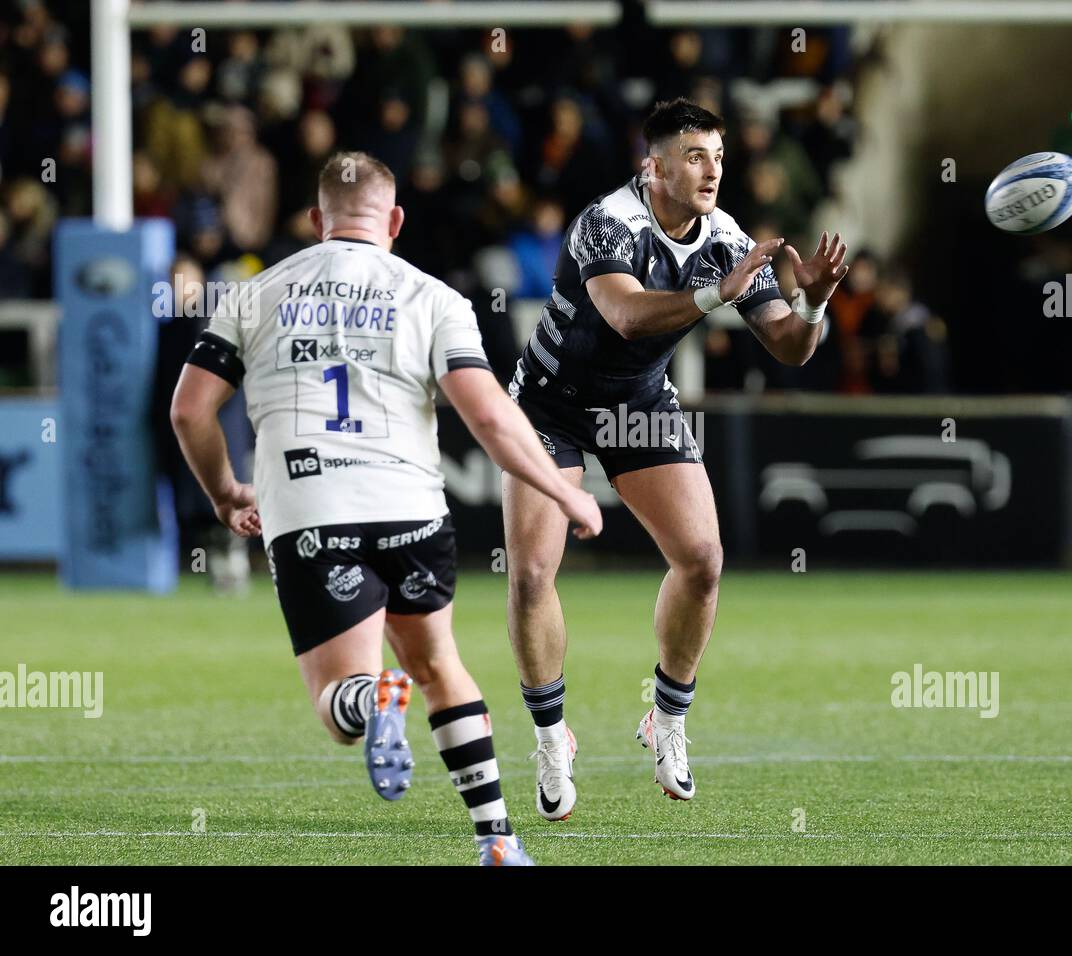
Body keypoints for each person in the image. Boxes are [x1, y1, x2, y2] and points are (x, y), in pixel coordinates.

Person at [170, 151, 603, 865]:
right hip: (411, 510)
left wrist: (223, 492)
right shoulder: (434, 297)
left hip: (312, 510)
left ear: (316, 221)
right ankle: (496, 839)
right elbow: (490, 417)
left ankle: (375, 701)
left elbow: (190, 411)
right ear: (394, 220)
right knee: (439, 662)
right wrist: (560, 489)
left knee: (342, 705)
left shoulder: (255, 293)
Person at [503, 98, 847, 820]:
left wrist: (813, 307)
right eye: (695, 155)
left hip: (636, 403)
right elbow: (625, 313)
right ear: (652, 165)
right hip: (548, 405)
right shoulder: (608, 220)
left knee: (702, 558)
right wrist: (715, 293)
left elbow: (786, 345)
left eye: (718, 156)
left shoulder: (725, 237)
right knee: (533, 572)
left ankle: (667, 719)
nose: (712, 170)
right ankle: (549, 738)